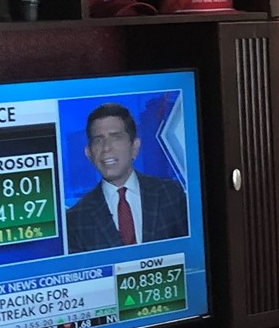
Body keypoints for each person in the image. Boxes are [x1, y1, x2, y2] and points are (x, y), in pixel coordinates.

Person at [63, 103, 189, 251]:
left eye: (116, 137)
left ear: (135, 147)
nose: (106, 148)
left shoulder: (170, 193)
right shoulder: (75, 218)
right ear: (89, 153)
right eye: (98, 140)